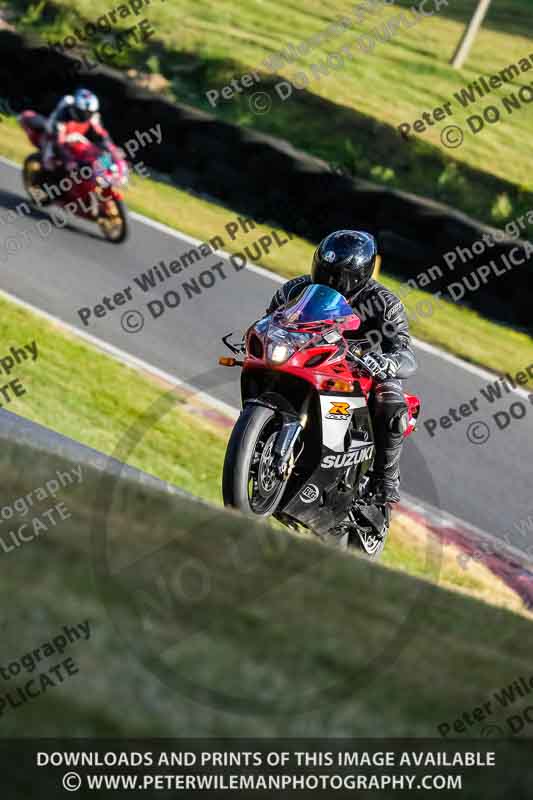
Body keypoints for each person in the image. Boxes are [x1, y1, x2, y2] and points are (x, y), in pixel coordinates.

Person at [266, 229, 417, 504]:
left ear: (360, 274)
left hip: (365, 370)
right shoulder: (294, 290)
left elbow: (406, 354)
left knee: (392, 404)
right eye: (325, 271)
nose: (330, 280)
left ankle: (385, 479)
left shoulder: (385, 303)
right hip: (313, 361)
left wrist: (386, 362)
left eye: (338, 275)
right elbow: (270, 322)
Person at [42, 88, 114, 172]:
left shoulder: (93, 115)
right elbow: (59, 141)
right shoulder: (64, 113)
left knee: (99, 155)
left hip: (78, 140)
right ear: (76, 108)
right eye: (83, 112)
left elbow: (102, 134)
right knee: (50, 165)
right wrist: (68, 160)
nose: (86, 115)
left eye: (89, 113)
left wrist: (111, 150)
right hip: (56, 138)